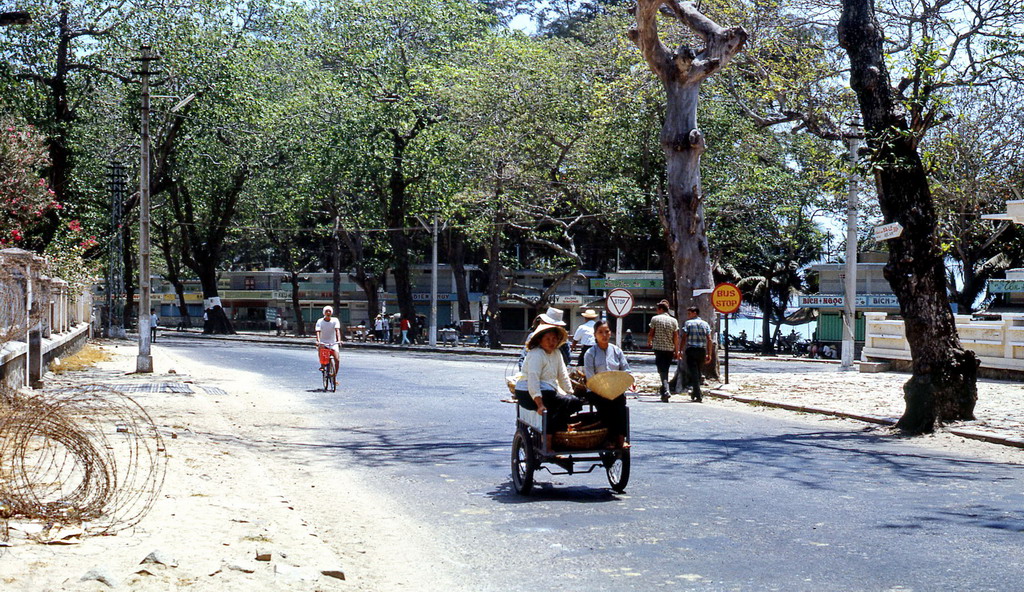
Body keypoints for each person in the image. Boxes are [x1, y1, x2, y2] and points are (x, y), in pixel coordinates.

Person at [514, 322, 582, 450]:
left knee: (574, 403)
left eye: (554, 339)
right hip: (527, 393)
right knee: (550, 406)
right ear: (540, 340)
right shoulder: (536, 354)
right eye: (548, 339)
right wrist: (540, 404)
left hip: (547, 391)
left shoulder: (557, 353)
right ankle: (548, 445)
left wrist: (570, 393)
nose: (551, 342)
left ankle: (558, 436)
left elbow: (563, 376)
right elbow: (533, 380)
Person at [583, 320, 631, 449]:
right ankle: (608, 439)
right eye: (600, 332)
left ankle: (621, 438)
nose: (604, 335)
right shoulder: (590, 353)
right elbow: (590, 378)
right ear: (595, 335)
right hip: (596, 390)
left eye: (607, 332)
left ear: (611, 333)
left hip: (615, 389)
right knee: (606, 406)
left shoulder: (617, 351)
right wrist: (602, 388)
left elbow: (626, 370)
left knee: (620, 405)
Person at [647, 300, 680, 402]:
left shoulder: (655, 319)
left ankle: (666, 390)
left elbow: (651, 333)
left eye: (657, 309)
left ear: (661, 309)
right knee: (665, 369)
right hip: (669, 349)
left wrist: (649, 341)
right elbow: (676, 337)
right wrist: (676, 350)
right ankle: (664, 389)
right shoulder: (674, 321)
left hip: (659, 349)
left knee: (662, 370)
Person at [682, 306, 713, 402]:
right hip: (702, 351)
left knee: (694, 373)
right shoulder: (705, 324)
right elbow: (709, 339)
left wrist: (680, 349)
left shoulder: (688, 323)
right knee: (698, 371)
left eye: (689, 313)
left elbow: (684, 337)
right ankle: (695, 393)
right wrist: (709, 353)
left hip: (691, 350)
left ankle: (698, 394)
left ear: (694, 313)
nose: (688, 315)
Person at [315, 305, 342, 379]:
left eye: (329, 311)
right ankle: (322, 366)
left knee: (337, 359)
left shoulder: (335, 320)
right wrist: (318, 341)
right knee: (321, 351)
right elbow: (318, 331)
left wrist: (339, 340)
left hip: (333, 343)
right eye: (326, 311)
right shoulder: (320, 321)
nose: (328, 312)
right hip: (323, 342)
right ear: (324, 313)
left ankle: (334, 376)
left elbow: (337, 331)